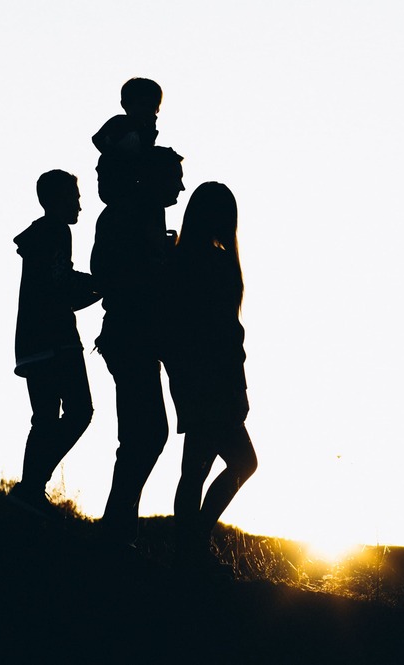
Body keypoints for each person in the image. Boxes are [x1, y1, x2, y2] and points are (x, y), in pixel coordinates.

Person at [91, 146, 185, 547]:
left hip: (138, 335)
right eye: (174, 177)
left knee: (142, 435)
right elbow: (105, 272)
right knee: (145, 435)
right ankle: (116, 530)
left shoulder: (143, 214)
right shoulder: (126, 214)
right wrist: (157, 265)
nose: (181, 185)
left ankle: (119, 529)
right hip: (129, 335)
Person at [166, 182, 257, 570]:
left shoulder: (178, 260)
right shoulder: (217, 264)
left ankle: (188, 548)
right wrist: (239, 387)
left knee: (195, 469)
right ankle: (194, 542)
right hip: (215, 380)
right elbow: (226, 334)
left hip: (189, 377)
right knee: (242, 463)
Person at [10, 170, 100, 517]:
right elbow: (62, 287)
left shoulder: (40, 237)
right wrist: (104, 285)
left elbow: (57, 286)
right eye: (72, 197)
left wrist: (95, 287)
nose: (79, 204)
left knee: (44, 419)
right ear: (54, 201)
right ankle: (31, 485)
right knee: (80, 412)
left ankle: (29, 490)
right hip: (57, 340)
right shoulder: (57, 233)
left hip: (32, 342)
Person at [92, 77, 163, 208]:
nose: (147, 110)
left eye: (152, 107)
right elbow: (97, 138)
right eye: (142, 104)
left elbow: (146, 150)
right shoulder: (120, 122)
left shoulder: (146, 130)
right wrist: (113, 154)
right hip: (116, 178)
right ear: (126, 104)